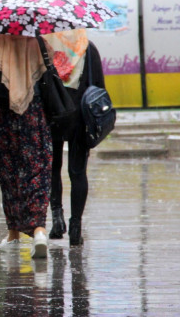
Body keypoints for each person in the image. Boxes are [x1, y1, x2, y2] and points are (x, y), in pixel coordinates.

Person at [0, 34, 51, 259]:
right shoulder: (39, 44)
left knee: (9, 173)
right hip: (35, 113)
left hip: (4, 114)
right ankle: (39, 231)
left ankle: (14, 235)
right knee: (37, 170)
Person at [41, 30, 106, 246]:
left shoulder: (44, 46)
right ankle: (76, 227)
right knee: (77, 172)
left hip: (51, 114)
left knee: (52, 168)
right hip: (80, 116)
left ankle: (57, 220)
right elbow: (99, 88)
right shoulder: (88, 47)